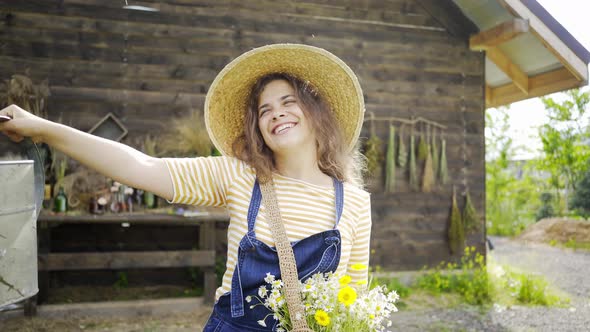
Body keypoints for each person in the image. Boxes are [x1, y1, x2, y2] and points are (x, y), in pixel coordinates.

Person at [0, 44, 372, 331]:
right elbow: (140, 166)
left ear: (317, 113)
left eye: (289, 102)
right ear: (257, 128)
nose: (276, 113)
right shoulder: (238, 176)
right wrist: (42, 128)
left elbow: (354, 305)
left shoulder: (354, 202)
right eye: (264, 110)